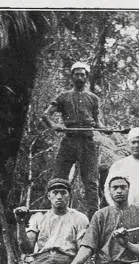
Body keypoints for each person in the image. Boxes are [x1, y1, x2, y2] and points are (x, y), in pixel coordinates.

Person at [42, 61, 105, 218]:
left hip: (87, 142)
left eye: (82, 74)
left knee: (91, 181)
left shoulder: (93, 99)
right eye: (76, 74)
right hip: (69, 141)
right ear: (72, 76)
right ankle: (51, 213)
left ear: (86, 77)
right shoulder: (63, 97)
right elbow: (45, 115)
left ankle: (93, 216)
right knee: (58, 177)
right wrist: (54, 125)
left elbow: (97, 122)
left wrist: (105, 129)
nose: (79, 77)